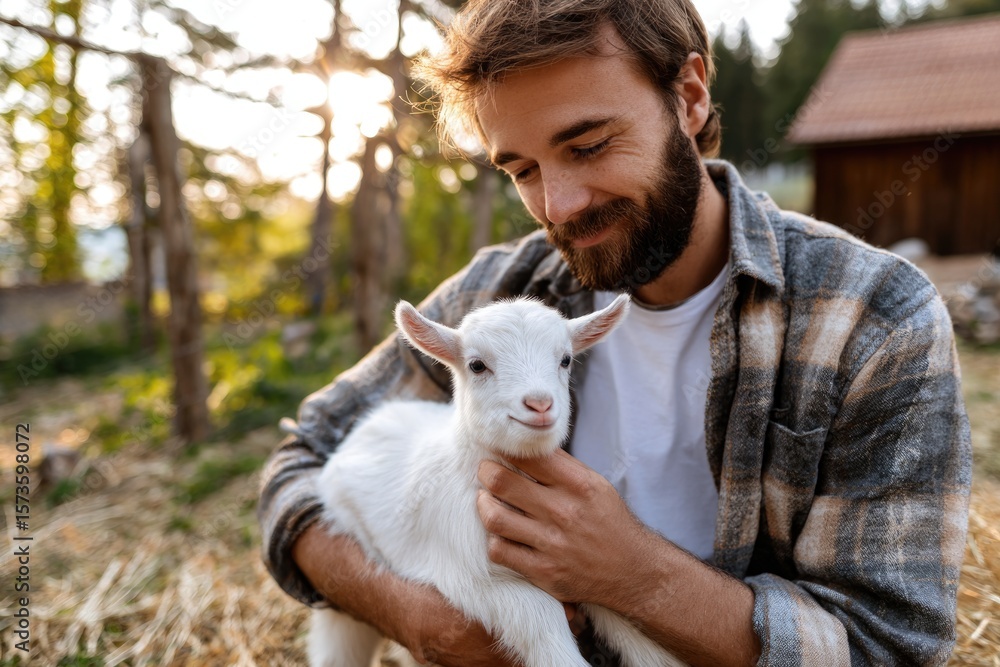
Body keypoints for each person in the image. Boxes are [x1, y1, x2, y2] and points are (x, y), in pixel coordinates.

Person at [258, 1, 972, 665]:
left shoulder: (872, 320)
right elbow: (295, 465)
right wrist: (411, 612)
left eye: (589, 145)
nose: (559, 206)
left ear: (688, 97)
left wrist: (633, 574)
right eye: (522, 169)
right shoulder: (501, 294)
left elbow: (888, 646)